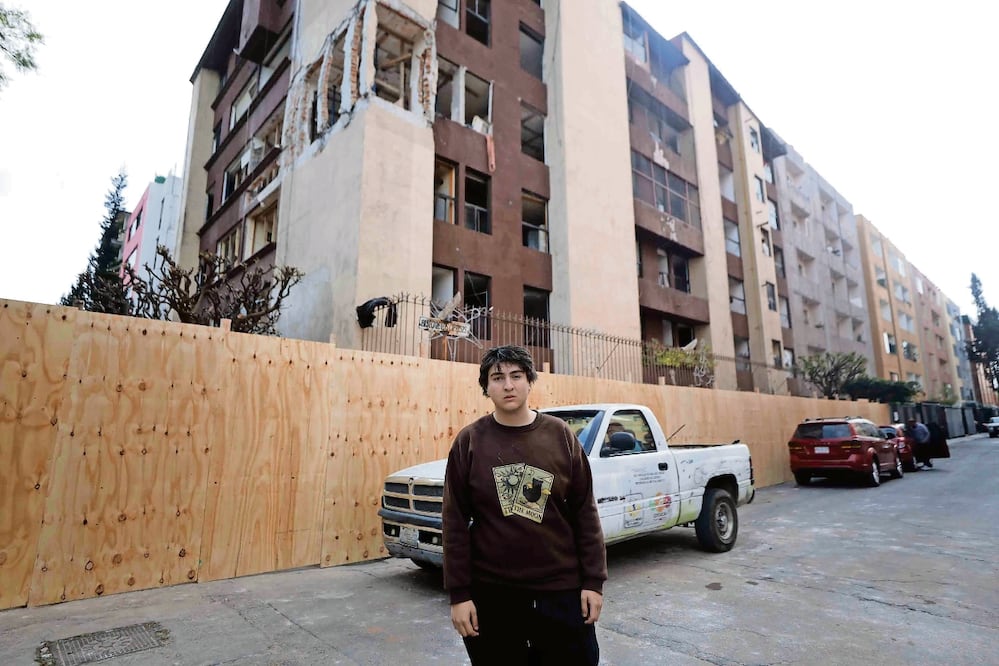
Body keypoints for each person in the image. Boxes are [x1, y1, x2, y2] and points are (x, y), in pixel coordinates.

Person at [442, 345, 607, 666]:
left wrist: (593, 582)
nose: (508, 385)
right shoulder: (470, 442)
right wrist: (459, 595)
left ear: (529, 381)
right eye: (497, 378)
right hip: (493, 594)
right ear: (485, 387)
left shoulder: (560, 436)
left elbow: (585, 511)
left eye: (516, 376)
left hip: (561, 591)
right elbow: (455, 522)